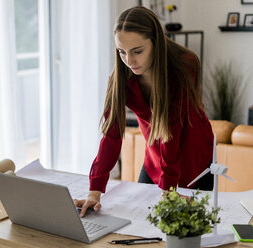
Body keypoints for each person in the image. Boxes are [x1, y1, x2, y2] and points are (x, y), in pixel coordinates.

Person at [74, 6, 214, 217]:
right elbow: (111, 135)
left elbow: (172, 131)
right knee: (140, 224)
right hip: (156, 159)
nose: (129, 61)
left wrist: (168, 189)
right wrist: (94, 191)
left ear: (156, 43)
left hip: (195, 159)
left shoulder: (185, 66)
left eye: (137, 51)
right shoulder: (120, 78)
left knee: (188, 232)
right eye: (122, 52)